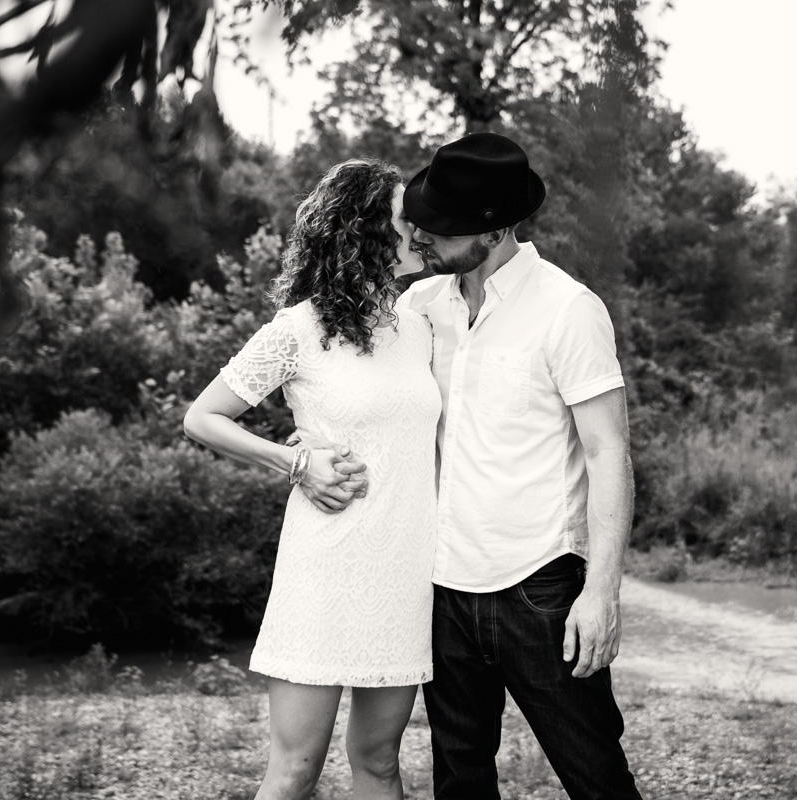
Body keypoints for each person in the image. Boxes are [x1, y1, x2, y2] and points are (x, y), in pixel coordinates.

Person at [307, 132, 642, 799]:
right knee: (460, 782)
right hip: (440, 589)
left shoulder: (568, 310)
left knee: (596, 777)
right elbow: (351, 390)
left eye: (441, 226)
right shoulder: (419, 308)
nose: (422, 236)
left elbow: (610, 455)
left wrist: (600, 593)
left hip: (541, 587)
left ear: (493, 230)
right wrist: (305, 448)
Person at [182, 158, 437, 800]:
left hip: (403, 570)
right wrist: (296, 460)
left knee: (379, 760)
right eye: (409, 220)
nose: (424, 232)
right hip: (325, 567)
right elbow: (202, 418)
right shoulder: (300, 328)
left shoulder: (423, 322)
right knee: (295, 768)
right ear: (364, 231)